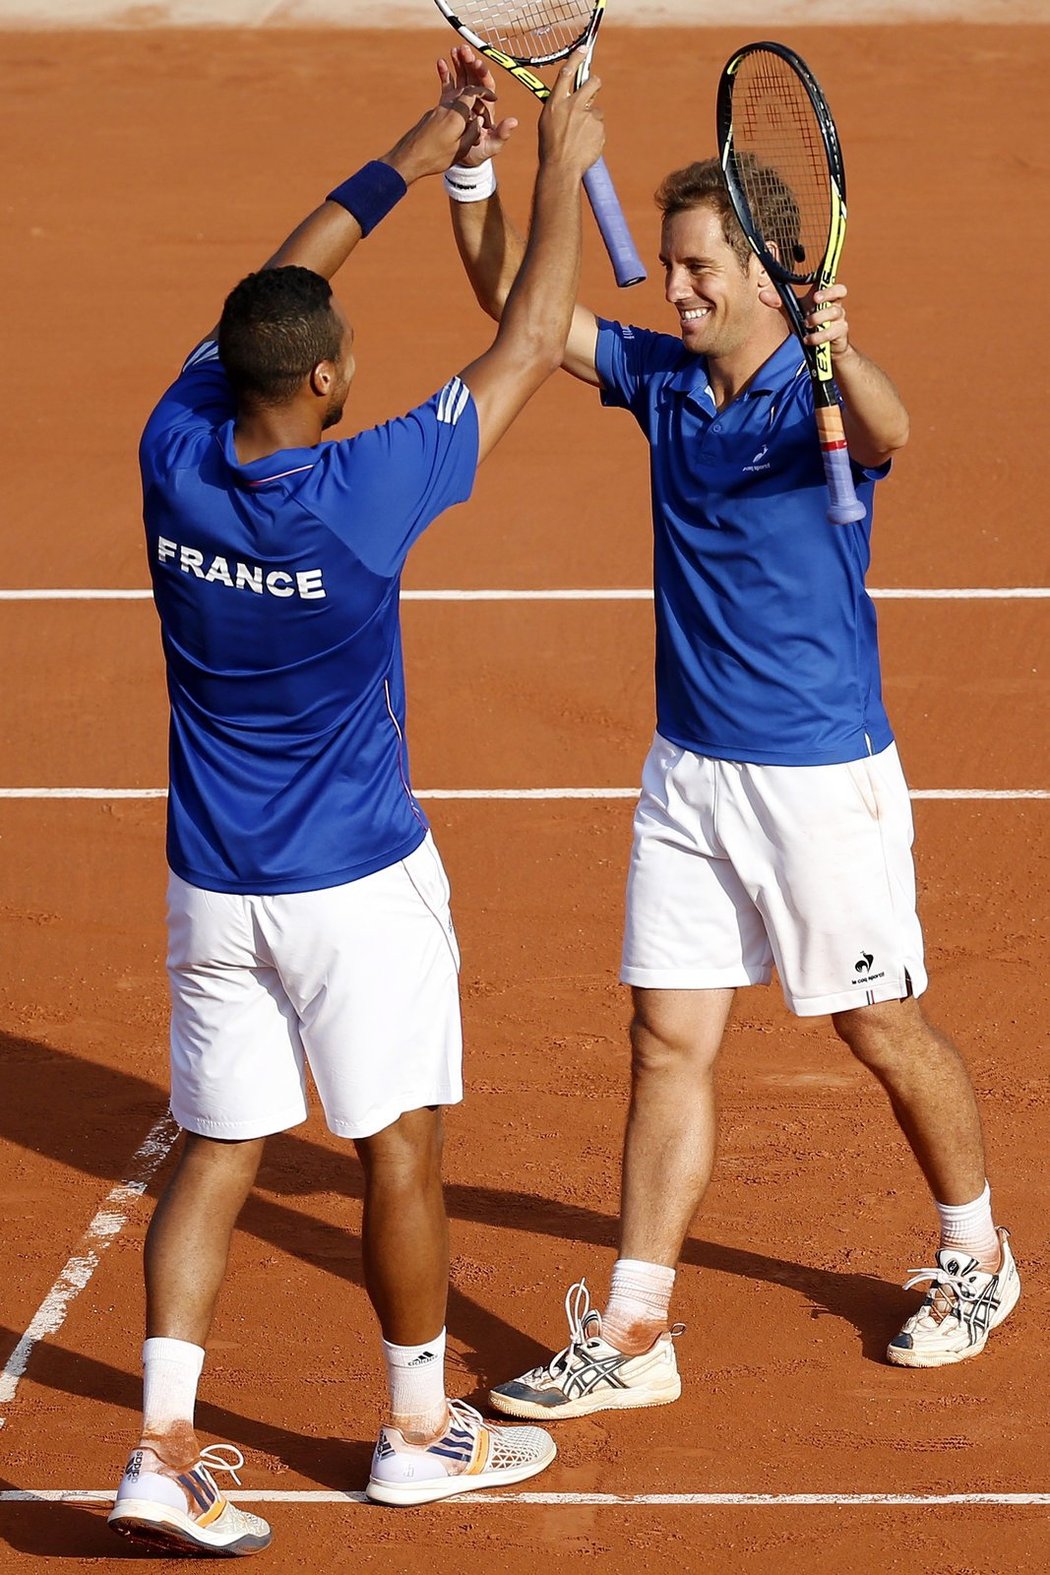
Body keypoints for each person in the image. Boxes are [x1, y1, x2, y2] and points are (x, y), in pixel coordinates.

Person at [441, 44, 1020, 1423]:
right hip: (688, 772)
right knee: (664, 1042)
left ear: (769, 273)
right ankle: (636, 1330)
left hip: (820, 775)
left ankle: (976, 1254)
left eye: (701, 267)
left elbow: (886, 429)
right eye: (676, 264)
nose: (675, 283)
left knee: (877, 1026)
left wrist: (836, 350)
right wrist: (480, 165)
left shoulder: (807, 395)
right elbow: (515, 306)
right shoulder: (659, 378)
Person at [107, 56, 605, 1556]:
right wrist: (554, 155)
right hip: (356, 889)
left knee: (218, 1148)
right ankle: (410, 1432)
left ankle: (160, 1444)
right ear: (321, 380)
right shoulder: (363, 491)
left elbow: (282, 271)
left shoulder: (173, 450)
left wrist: (427, 142)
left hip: (215, 884)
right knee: (399, 1148)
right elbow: (525, 341)